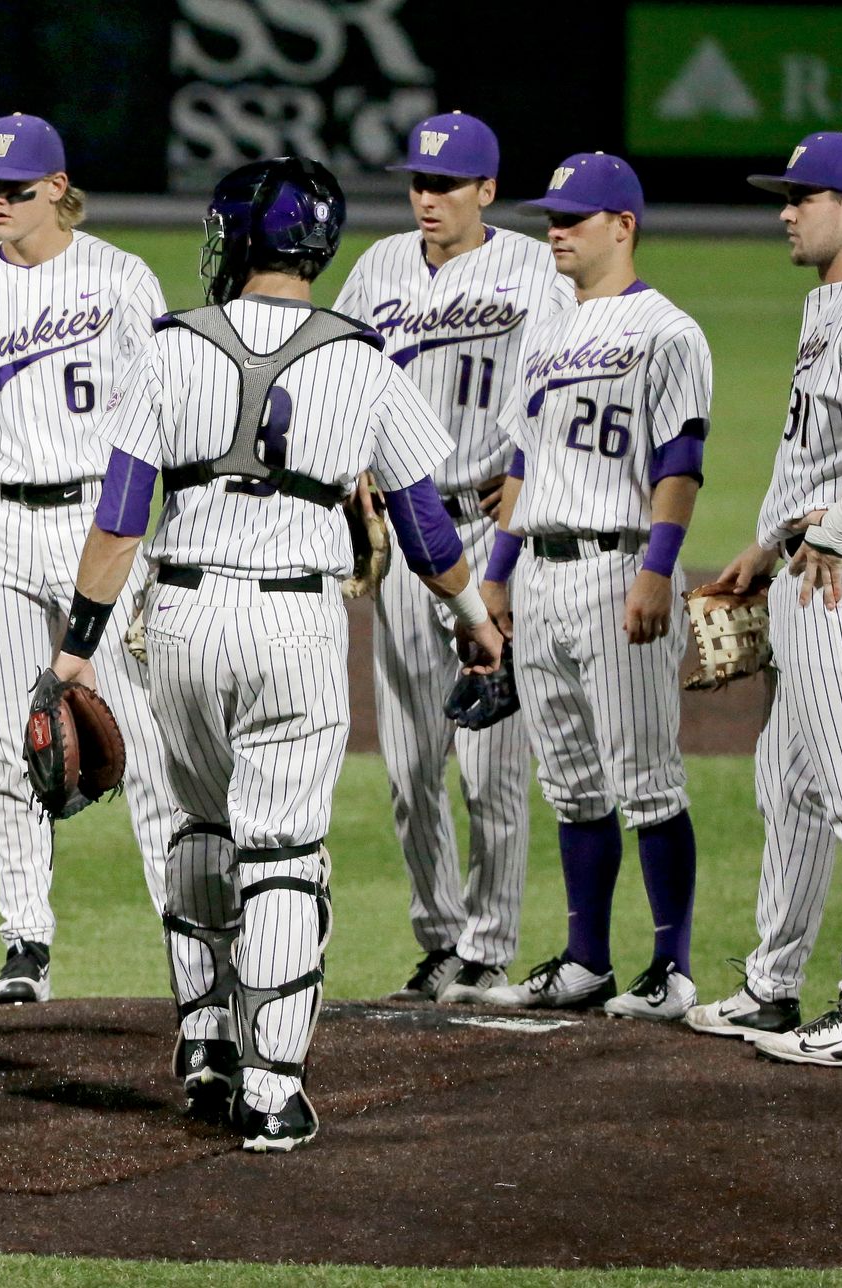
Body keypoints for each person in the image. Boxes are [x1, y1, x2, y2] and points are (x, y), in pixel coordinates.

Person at [46, 157, 504, 1151]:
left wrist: (78, 648)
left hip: (181, 615)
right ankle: (272, 1087)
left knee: (202, 829)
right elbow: (426, 530)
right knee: (285, 851)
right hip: (296, 624)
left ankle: (206, 1034)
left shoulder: (172, 349)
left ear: (245, 238)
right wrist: (475, 616)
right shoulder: (365, 358)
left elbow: (122, 517)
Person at [0, 113, 177, 1004]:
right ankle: (25, 943)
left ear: (58, 188)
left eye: (13, 187)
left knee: (141, 739)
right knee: (13, 740)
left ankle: (188, 930)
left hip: (101, 519)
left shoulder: (123, 279)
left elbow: (169, 412)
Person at [685, 133, 842, 1072]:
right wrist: (766, 549)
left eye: (805, 196)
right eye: (785, 196)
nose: (786, 210)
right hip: (812, 572)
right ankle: (771, 987)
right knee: (788, 791)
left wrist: (834, 525)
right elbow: (826, 460)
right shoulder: (829, 304)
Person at [332, 111, 570, 1006]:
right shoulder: (378, 268)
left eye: (446, 184)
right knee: (409, 763)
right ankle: (438, 939)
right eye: (419, 183)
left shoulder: (531, 271)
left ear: (486, 191)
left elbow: (554, 391)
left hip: (484, 529)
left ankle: (490, 946)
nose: (427, 198)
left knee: (491, 766)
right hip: (401, 533)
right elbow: (339, 382)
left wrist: (521, 508)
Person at [477, 155, 711, 1022]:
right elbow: (522, 463)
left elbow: (680, 458)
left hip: (620, 569)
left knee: (647, 777)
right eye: (552, 216)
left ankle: (672, 969)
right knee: (572, 783)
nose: (557, 229)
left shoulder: (668, 331)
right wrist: (496, 579)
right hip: (539, 572)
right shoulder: (545, 331)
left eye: (575, 216)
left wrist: (658, 564)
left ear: (625, 225)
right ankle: (585, 962)